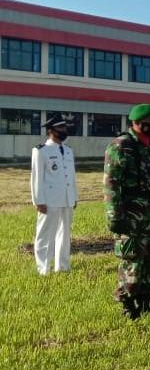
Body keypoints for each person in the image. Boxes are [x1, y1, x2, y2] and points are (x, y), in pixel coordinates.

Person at [104, 104, 150, 319]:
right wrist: (114, 216)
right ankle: (127, 304)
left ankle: (144, 302)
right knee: (133, 261)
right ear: (136, 122)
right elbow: (112, 184)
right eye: (149, 121)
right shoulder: (121, 146)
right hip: (132, 218)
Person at [31, 114, 78, 275]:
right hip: (49, 200)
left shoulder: (68, 150)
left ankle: (62, 266)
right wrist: (38, 200)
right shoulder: (41, 151)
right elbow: (36, 177)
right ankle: (43, 269)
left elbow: (71, 176)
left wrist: (74, 196)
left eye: (65, 127)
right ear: (51, 130)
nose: (65, 130)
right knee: (45, 235)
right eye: (61, 127)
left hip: (67, 199)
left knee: (64, 235)